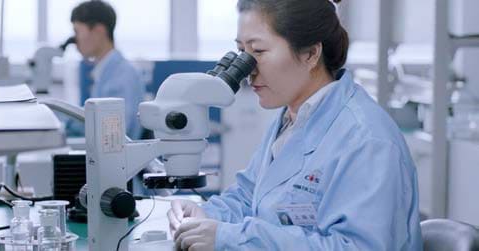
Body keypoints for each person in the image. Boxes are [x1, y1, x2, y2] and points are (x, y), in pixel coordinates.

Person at [167, 0, 423, 250]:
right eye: (241, 53)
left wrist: (231, 239)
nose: (247, 70)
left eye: (258, 52)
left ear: (310, 54)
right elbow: (249, 198)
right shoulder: (293, 118)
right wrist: (204, 214)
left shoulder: (367, 141)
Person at [67, 0, 145, 139]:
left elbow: (115, 135)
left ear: (98, 31)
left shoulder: (122, 76)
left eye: (77, 31)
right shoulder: (106, 73)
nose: (75, 40)